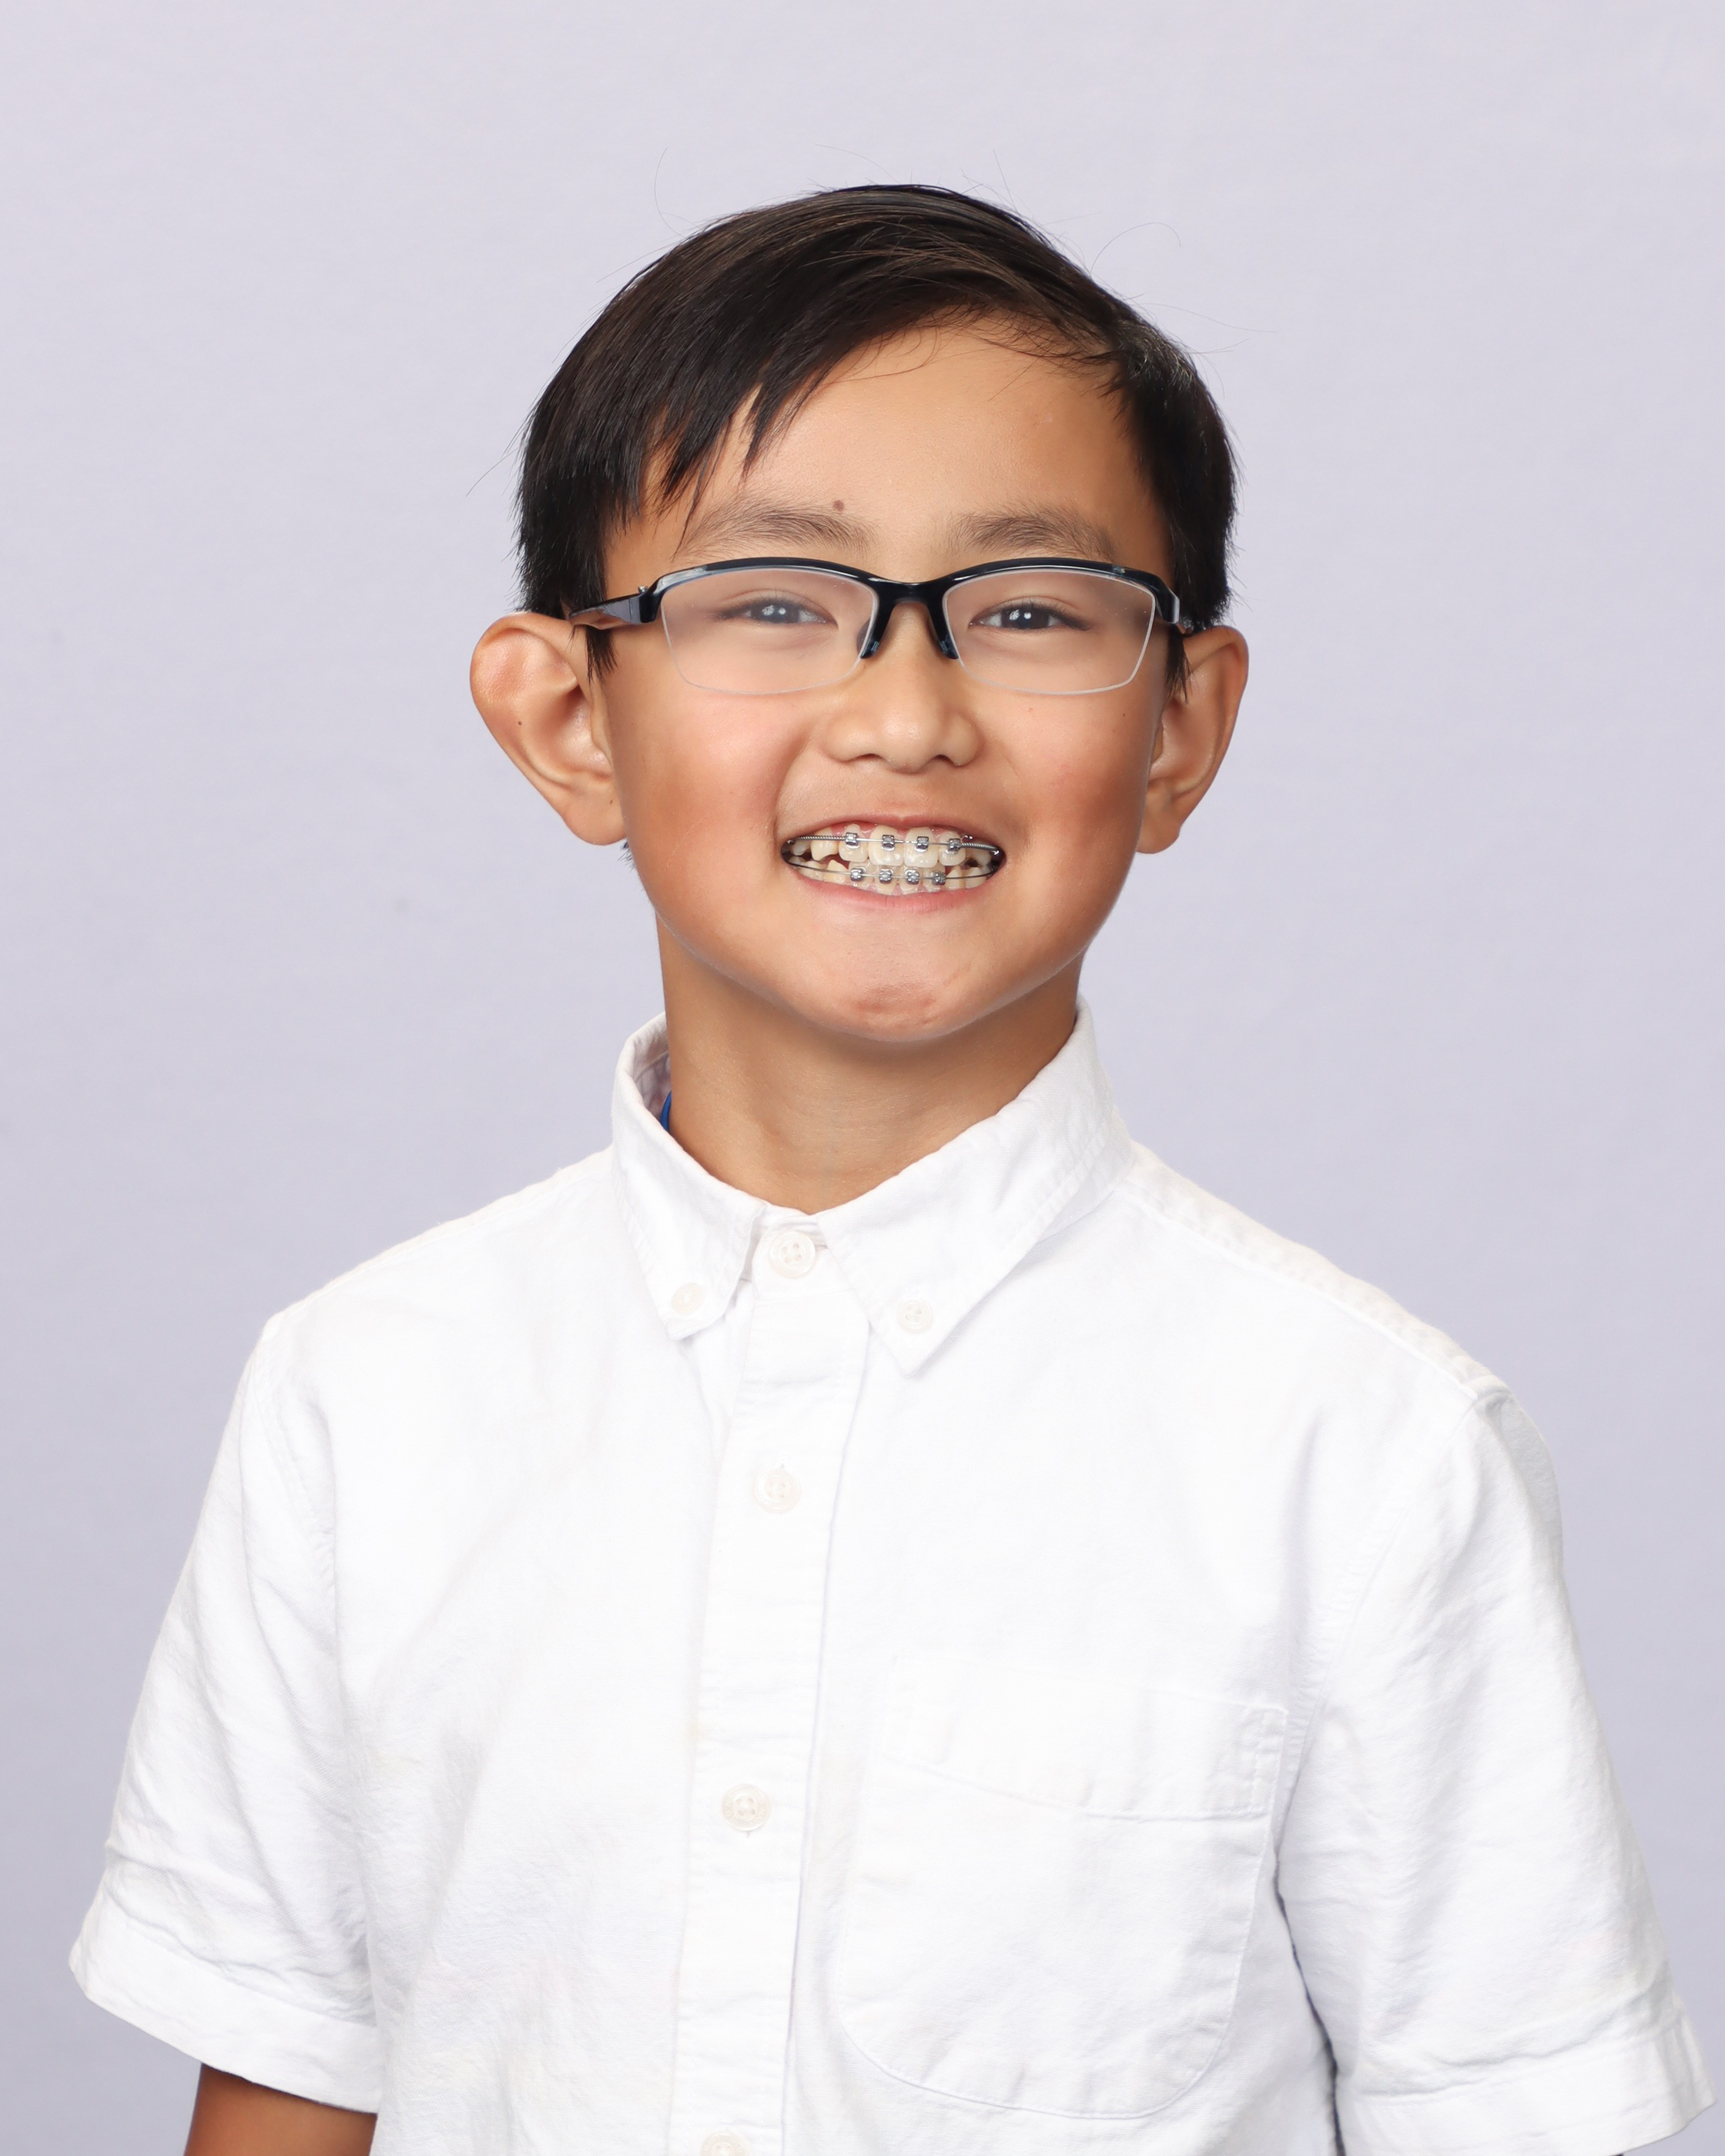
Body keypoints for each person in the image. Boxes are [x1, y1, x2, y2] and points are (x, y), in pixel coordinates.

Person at [73, 186, 1710, 2156]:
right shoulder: (364, 1393)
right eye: (772, 600)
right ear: (568, 715)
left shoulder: (1362, 1450)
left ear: (1180, 727)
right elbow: (288, 2087)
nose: (907, 714)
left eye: (1029, 609)